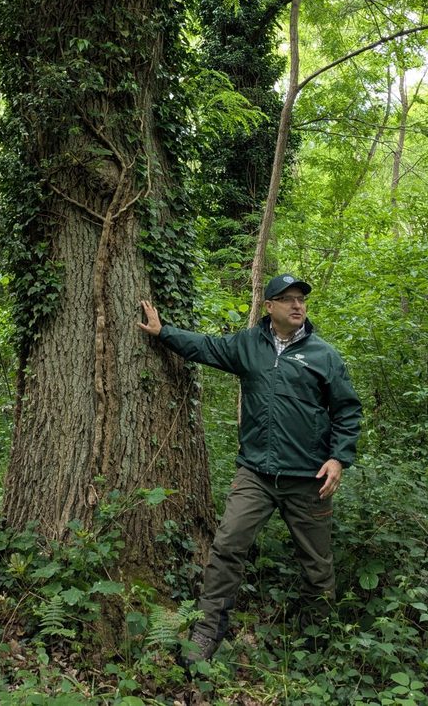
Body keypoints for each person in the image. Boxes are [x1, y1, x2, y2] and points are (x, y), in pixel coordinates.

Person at [138, 273, 362, 667]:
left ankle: (318, 642)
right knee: (227, 548)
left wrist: (338, 458)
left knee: (317, 564)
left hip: (309, 479)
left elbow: (347, 411)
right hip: (256, 473)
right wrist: (163, 332)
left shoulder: (324, 355)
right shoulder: (248, 346)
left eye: (301, 300)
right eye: (288, 299)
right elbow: (206, 347)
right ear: (269, 306)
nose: (297, 305)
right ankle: (207, 632)